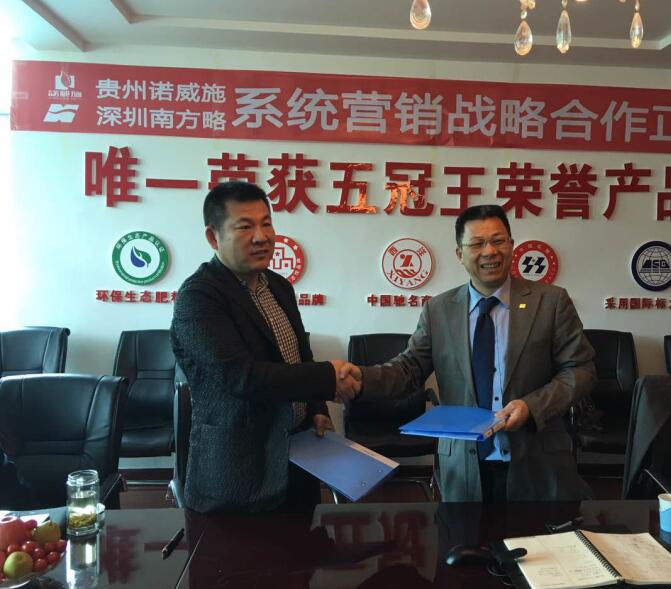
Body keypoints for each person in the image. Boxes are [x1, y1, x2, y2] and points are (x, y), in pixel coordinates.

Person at [346, 204, 597, 502]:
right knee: (465, 533)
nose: (490, 251)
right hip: (463, 468)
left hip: (537, 462)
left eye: (498, 240)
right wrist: (361, 379)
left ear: (512, 245)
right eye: (477, 244)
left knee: (537, 534)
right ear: (459, 254)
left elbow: (581, 370)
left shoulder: (551, 302)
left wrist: (532, 407)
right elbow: (408, 369)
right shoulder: (439, 310)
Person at [171, 181, 359, 514]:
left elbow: (300, 356)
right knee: (240, 549)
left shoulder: (280, 286)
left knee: (304, 543)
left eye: (267, 223)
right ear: (213, 237)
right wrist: (329, 378)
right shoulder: (199, 297)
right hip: (239, 469)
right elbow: (241, 376)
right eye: (245, 227)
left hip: (298, 456)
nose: (262, 237)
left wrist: (316, 407)